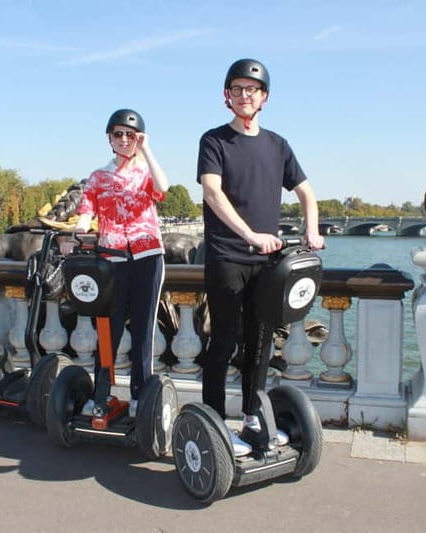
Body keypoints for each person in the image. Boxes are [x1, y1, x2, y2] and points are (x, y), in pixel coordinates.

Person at [197, 59, 325, 456]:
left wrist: (312, 230)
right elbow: (212, 193)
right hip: (228, 256)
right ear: (226, 97)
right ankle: (215, 420)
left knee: (260, 341)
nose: (244, 95)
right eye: (236, 89)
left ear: (263, 98)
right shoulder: (214, 141)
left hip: (267, 264)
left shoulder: (278, 145)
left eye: (251, 89)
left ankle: (253, 415)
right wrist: (250, 235)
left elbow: (306, 192)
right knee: (224, 339)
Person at [74, 109, 168, 417]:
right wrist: (79, 229)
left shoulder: (145, 172)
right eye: (119, 134)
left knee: (143, 329)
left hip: (147, 256)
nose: (125, 140)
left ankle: (141, 394)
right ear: (109, 138)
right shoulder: (98, 176)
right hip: (111, 258)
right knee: (108, 329)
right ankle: (101, 392)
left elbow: (163, 189)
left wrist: (148, 149)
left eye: (131, 135)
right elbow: (87, 210)